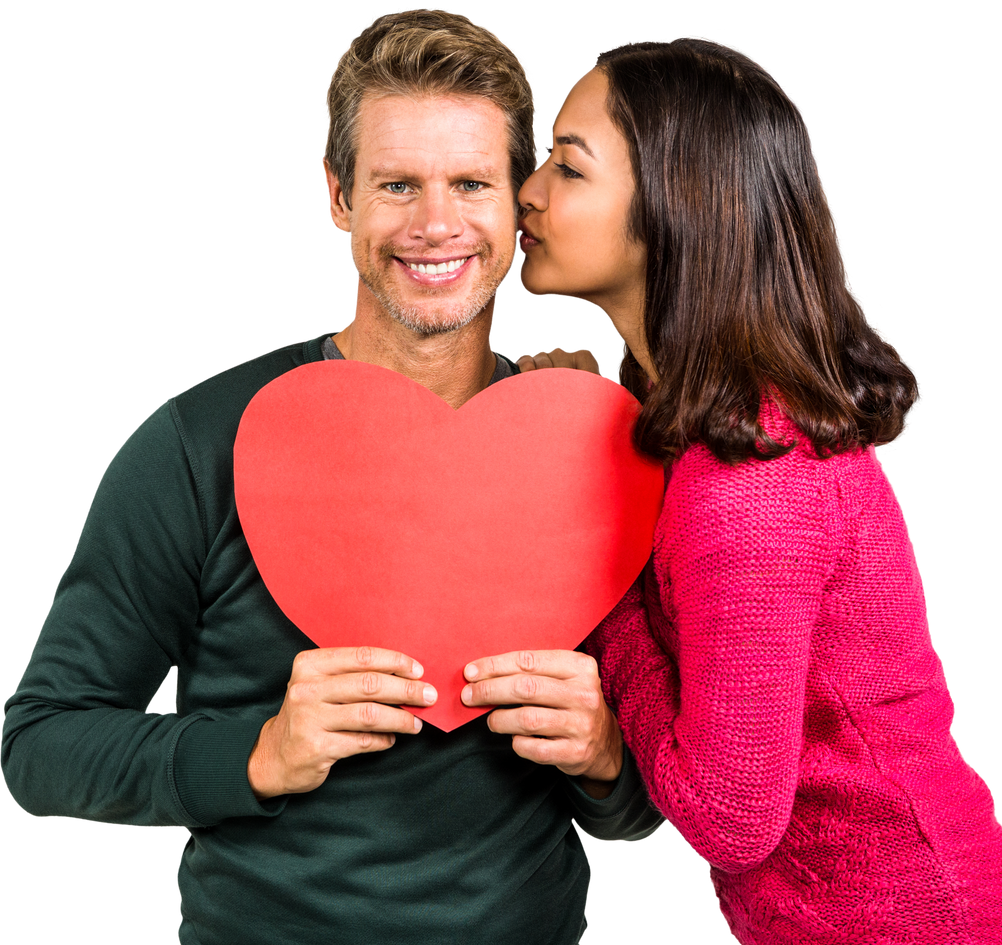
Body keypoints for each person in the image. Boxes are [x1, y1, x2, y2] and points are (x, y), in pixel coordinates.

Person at [0, 9, 664, 944]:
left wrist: (603, 755)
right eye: (397, 184)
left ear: (521, 199)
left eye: (471, 182)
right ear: (337, 194)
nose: (436, 225)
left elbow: (638, 807)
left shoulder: (593, 443)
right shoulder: (199, 443)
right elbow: (41, 744)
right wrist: (260, 752)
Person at [513, 33, 1002, 944]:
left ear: (674, 211)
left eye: (568, 169)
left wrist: (605, 592)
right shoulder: (703, 426)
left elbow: (730, 819)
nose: (527, 191)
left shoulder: (751, 486)